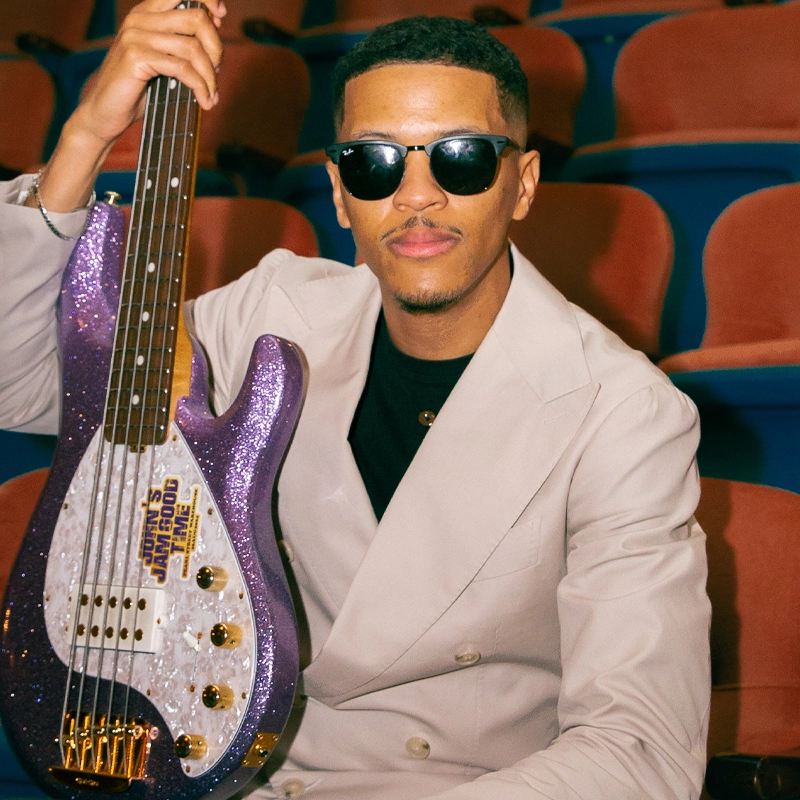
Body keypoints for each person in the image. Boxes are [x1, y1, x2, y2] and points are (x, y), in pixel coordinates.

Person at [0, 2, 711, 798]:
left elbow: (642, 749)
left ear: (522, 184)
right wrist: (87, 135)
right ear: (340, 194)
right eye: (375, 164)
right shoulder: (275, 311)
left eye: (463, 158)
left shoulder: (624, 414)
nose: (416, 197)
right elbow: (23, 385)